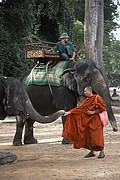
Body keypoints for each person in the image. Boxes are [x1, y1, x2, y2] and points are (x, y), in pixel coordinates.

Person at [62, 86, 106, 158]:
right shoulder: (87, 100)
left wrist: (93, 112)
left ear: (90, 91)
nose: (84, 93)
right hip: (88, 120)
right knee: (88, 136)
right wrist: (70, 112)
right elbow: (80, 108)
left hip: (96, 120)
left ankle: (102, 152)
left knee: (97, 136)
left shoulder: (97, 98)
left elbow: (103, 108)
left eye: (85, 91)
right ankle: (91, 152)